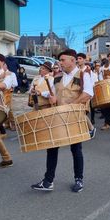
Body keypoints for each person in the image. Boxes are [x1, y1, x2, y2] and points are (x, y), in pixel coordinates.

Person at [31, 49, 93, 192]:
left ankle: (79, 179)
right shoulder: (57, 77)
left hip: (74, 117)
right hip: (58, 116)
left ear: (73, 60)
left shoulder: (84, 75)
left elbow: (88, 93)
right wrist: (47, 95)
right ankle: (48, 181)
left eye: (63, 60)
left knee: (76, 149)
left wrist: (72, 105)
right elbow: (52, 92)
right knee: (52, 147)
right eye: (60, 60)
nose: (60, 63)